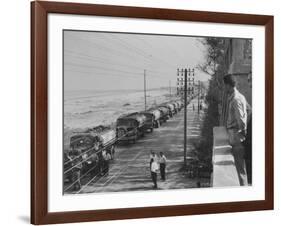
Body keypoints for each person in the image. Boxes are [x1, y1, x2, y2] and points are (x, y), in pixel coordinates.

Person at [223, 74, 248, 186]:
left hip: (236, 135)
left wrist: (242, 132)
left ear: (228, 85)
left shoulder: (236, 99)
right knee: (239, 167)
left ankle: (244, 193)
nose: (224, 88)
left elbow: (241, 120)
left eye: (225, 86)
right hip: (235, 134)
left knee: (239, 169)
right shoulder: (239, 97)